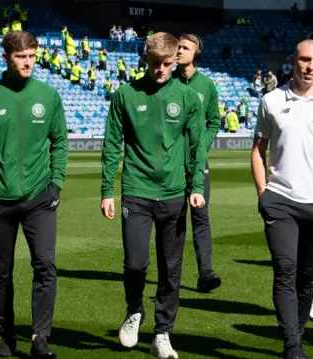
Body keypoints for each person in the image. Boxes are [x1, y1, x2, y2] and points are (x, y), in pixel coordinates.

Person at [100, 32, 207, 359]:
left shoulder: (188, 97)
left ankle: (162, 333)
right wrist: (107, 191)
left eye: (167, 63)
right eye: (155, 62)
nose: (161, 69)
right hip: (136, 191)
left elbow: (197, 145)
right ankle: (135, 309)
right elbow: (111, 145)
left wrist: (197, 187)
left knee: (171, 268)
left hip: (174, 194)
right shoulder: (125, 95)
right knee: (135, 264)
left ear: (176, 59)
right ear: (144, 58)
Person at [251, 39, 313, 359]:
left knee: (308, 278)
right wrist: (263, 193)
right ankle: (292, 344)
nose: (309, 66)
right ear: (293, 60)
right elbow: (258, 150)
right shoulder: (271, 100)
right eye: (304, 59)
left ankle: (297, 334)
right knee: (285, 269)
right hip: (280, 200)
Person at [0, 30, 68, 359]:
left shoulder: (48, 95)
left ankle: (40, 337)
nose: (28, 62)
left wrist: (55, 183)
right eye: (21, 57)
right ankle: (6, 337)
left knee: (45, 265)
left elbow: (59, 142)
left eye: (32, 56)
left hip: (39, 200)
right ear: (5, 58)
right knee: (0, 273)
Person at [175, 33, 223, 293]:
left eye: (185, 48)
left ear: (196, 54)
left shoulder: (206, 85)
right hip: (171, 165)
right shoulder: (167, 82)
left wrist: (202, 145)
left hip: (198, 163)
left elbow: (214, 120)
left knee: (201, 217)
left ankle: (205, 273)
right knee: (174, 220)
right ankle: (172, 274)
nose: (180, 51)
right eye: (178, 47)